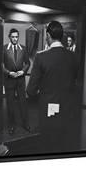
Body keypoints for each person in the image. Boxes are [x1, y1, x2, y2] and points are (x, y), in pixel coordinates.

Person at [27, 21, 80, 153]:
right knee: (64, 144)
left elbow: (30, 90)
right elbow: (75, 82)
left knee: (47, 145)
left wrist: (44, 95)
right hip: (68, 109)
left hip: (48, 110)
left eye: (46, 35)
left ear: (49, 36)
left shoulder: (41, 57)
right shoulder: (73, 57)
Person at [2, 28, 31, 135]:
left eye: (16, 37)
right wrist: (8, 72)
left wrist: (23, 72)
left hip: (20, 80)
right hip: (9, 80)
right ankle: (11, 126)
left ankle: (25, 123)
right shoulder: (4, 48)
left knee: (22, 103)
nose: (15, 39)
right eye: (13, 37)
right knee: (10, 104)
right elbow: (0, 64)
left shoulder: (23, 49)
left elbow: (27, 63)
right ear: (9, 37)